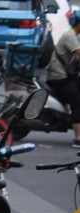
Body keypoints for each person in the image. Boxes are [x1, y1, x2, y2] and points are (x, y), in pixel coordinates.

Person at [47, 11, 80, 148]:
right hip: (59, 77)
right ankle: (78, 138)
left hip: (66, 75)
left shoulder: (73, 36)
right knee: (77, 102)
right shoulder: (69, 36)